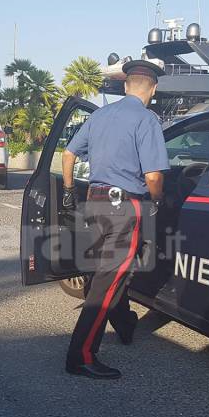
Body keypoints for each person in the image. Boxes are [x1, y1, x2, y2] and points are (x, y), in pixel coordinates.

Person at [60, 59, 169, 379]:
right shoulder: (146, 120)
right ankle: (80, 356)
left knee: (103, 275)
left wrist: (69, 192)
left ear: (125, 86)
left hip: (94, 202)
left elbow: (68, 155)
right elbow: (152, 176)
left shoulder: (99, 115)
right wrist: (157, 202)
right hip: (125, 208)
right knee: (107, 283)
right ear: (153, 88)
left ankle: (124, 323)